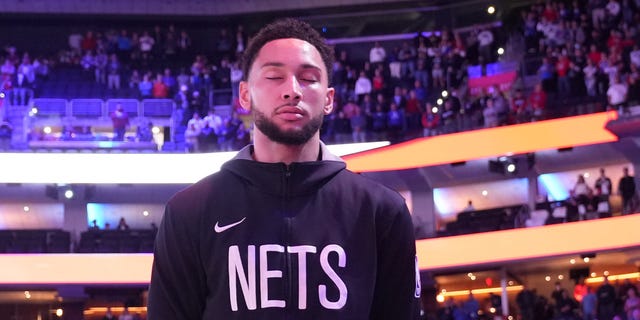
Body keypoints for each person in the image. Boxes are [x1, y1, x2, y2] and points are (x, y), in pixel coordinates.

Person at [148, 18, 420, 319]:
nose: (292, 91)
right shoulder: (190, 211)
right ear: (244, 95)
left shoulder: (381, 211)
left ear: (329, 99)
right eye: (275, 77)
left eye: (308, 78)